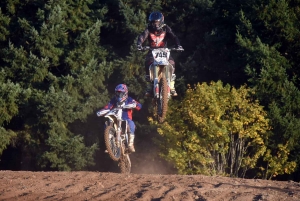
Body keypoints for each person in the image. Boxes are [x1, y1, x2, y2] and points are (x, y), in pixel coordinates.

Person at [137, 11, 184, 97]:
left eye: (157, 22)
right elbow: (142, 36)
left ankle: (172, 86)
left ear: (161, 21)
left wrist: (178, 45)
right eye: (153, 22)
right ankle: (149, 85)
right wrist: (139, 45)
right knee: (147, 62)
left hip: (164, 51)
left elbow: (173, 36)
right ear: (150, 23)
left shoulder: (166, 28)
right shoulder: (148, 30)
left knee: (172, 63)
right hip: (152, 51)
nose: (155, 25)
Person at [96, 84, 142, 153]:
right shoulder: (114, 100)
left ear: (125, 93)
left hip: (126, 119)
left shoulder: (129, 99)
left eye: (121, 93)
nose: (119, 95)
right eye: (118, 93)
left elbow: (138, 105)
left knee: (131, 124)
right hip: (116, 118)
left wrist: (134, 105)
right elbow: (108, 107)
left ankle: (130, 144)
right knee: (107, 124)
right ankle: (110, 144)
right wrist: (100, 111)